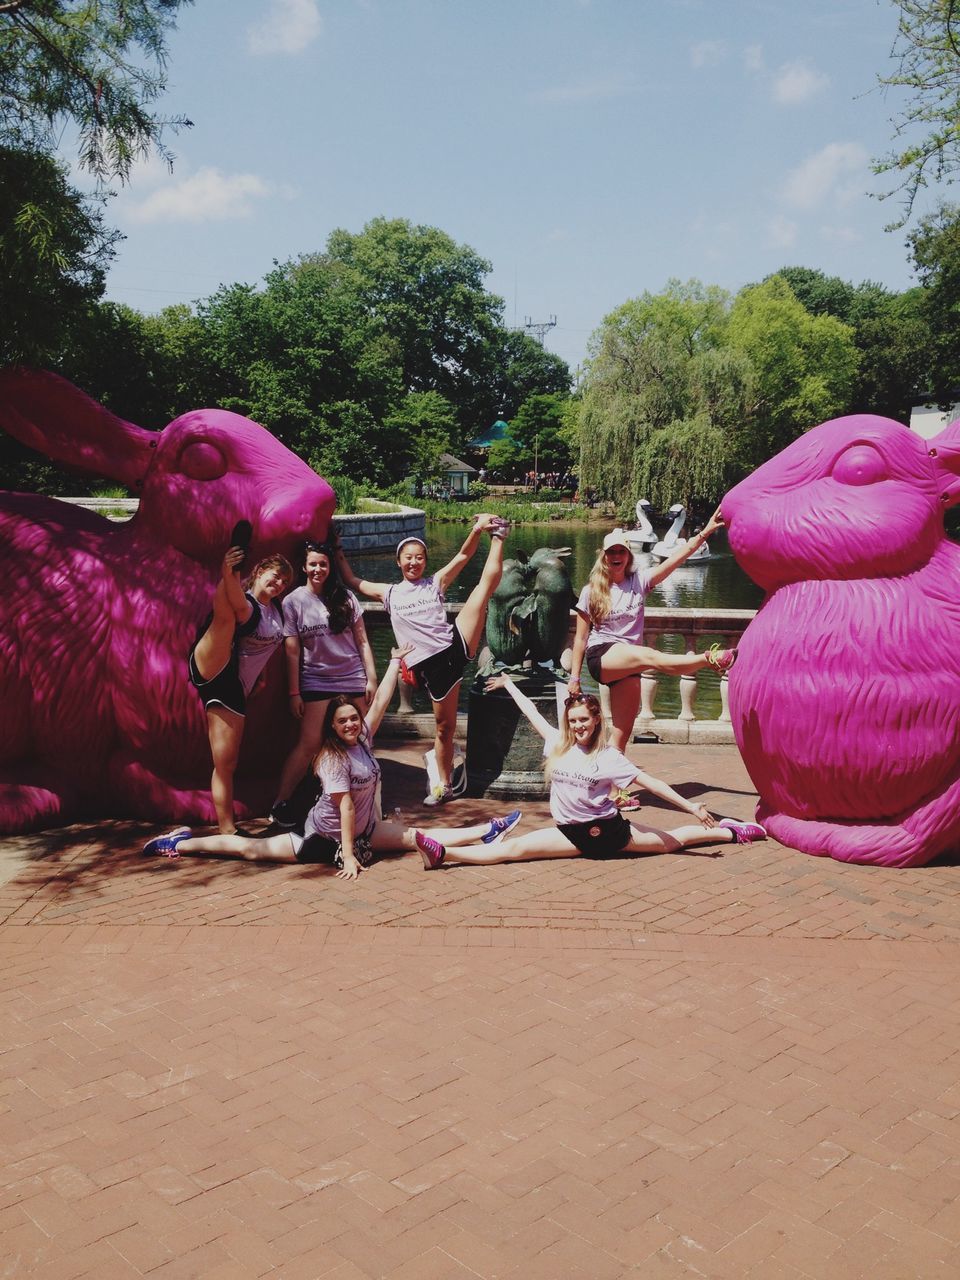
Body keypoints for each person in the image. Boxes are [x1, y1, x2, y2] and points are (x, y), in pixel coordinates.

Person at [146, 648, 523, 876]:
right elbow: (343, 809)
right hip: (321, 839)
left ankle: (486, 831)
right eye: (342, 720)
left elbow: (378, 704)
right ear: (333, 726)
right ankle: (182, 843)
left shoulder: (362, 738)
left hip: (363, 832)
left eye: (353, 719)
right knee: (248, 850)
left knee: (414, 838)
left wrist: (393, 663)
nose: (351, 723)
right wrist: (347, 858)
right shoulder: (331, 759)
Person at [413, 675, 766, 870]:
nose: (578, 725)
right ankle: (444, 854)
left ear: (596, 720)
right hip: (571, 835)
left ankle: (732, 832)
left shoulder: (609, 757)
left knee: (676, 841)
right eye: (573, 721)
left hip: (613, 835)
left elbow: (653, 784)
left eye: (584, 719)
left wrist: (694, 808)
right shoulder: (556, 743)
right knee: (513, 850)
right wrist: (509, 684)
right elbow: (532, 713)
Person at [336, 515, 510, 805]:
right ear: (399, 561)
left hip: (454, 644)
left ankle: (500, 536)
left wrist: (477, 529)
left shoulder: (435, 582)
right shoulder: (389, 593)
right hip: (434, 667)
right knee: (445, 728)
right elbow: (353, 581)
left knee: (482, 591)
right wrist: (338, 551)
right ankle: (444, 783)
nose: (414, 562)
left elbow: (464, 555)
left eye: (419, 558)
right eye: (408, 558)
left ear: (425, 562)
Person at [567, 508, 735, 782]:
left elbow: (676, 560)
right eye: (611, 553)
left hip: (630, 666)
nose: (616, 557)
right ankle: (709, 659)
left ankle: (612, 792)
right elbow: (580, 638)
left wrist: (705, 532)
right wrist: (575, 677)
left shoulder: (639, 581)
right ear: (604, 557)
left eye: (621, 552)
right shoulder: (591, 591)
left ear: (628, 556)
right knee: (650, 655)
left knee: (620, 737)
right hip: (604, 656)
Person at [188, 540, 294, 834]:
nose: (279, 583)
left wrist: (260, 678)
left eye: (284, 581)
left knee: (227, 762)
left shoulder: (276, 611)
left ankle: (227, 827)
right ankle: (227, 830)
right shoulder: (249, 605)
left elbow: (266, 651)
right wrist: (228, 570)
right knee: (226, 614)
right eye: (274, 575)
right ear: (258, 572)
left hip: (233, 685)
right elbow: (236, 602)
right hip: (213, 664)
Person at [270, 541, 377, 828]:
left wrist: (372, 678)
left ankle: (369, 806)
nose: (318, 569)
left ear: (330, 567)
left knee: (361, 741)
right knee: (309, 744)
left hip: (352, 678)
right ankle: (280, 803)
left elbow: (362, 641)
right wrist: (294, 692)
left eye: (323, 564)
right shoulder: (293, 601)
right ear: (304, 567)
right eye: (313, 564)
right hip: (316, 680)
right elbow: (292, 651)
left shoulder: (345, 597)